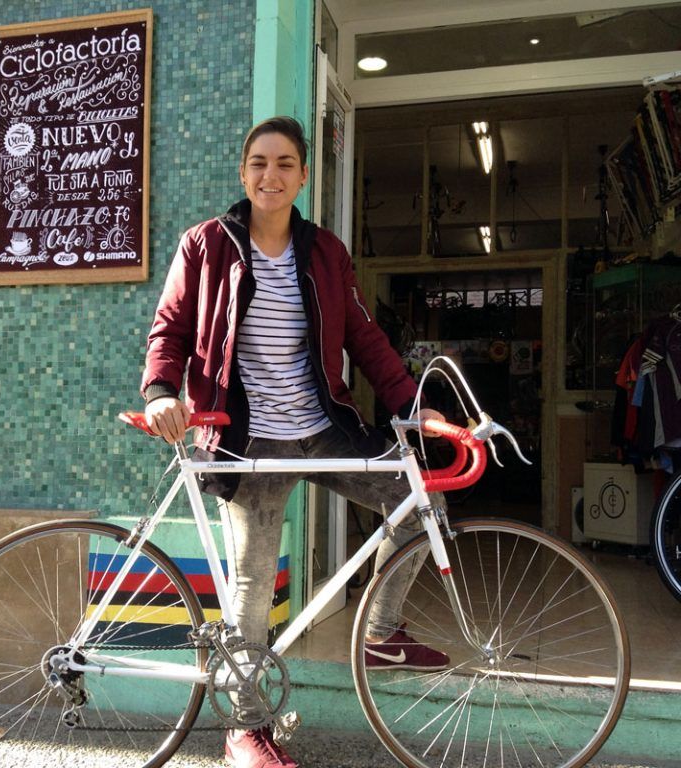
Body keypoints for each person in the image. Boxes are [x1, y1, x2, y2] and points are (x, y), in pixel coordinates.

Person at [141, 116, 448, 768]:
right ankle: (245, 728)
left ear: (304, 176)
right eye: (258, 162)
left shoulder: (325, 252)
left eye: (284, 163)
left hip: (323, 428)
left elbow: (363, 335)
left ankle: (381, 633)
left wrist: (410, 404)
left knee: (421, 503)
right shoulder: (206, 245)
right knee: (253, 586)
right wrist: (162, 390)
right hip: (246, 439)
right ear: (242, 172)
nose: (270, 175)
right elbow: (170, 326)